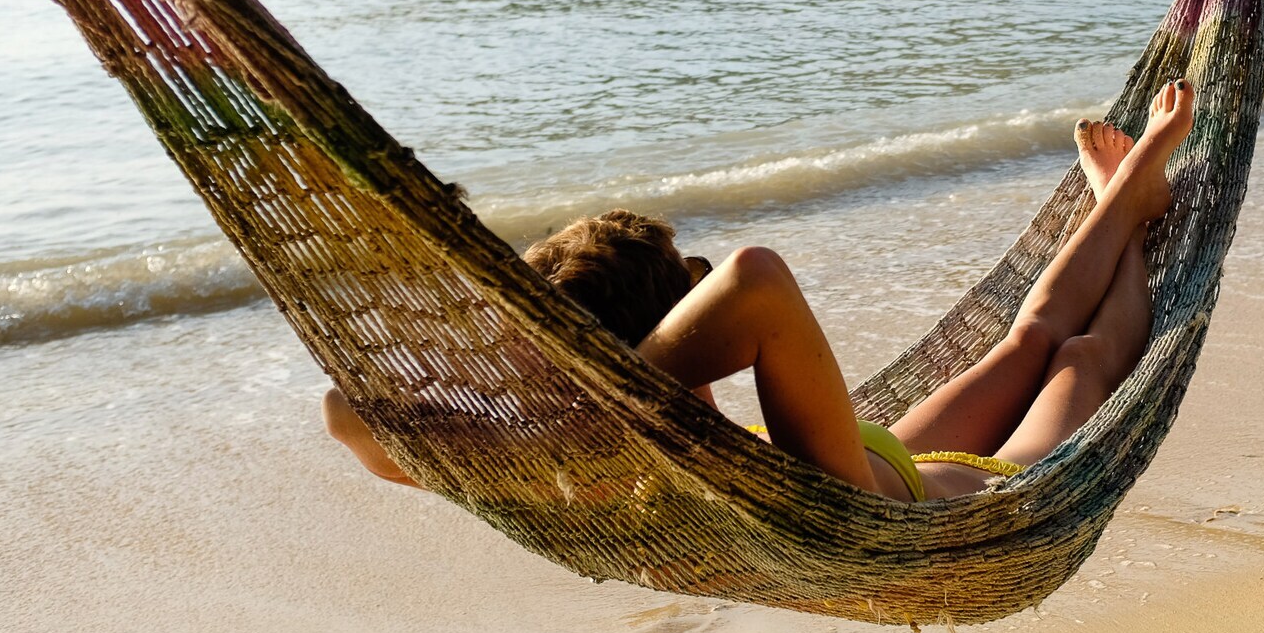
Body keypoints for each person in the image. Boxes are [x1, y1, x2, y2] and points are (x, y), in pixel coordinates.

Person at [323, 79, 1194, 501]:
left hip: (872, 451)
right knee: (1078, 351)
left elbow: (345, 413)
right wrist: (588, 382)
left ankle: (1124, 202)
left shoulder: (577, 454)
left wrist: (540, 364)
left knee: (1026, 338)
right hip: (954, 501)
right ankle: (1135, 204)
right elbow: (753, 279)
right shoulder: (583, 465)